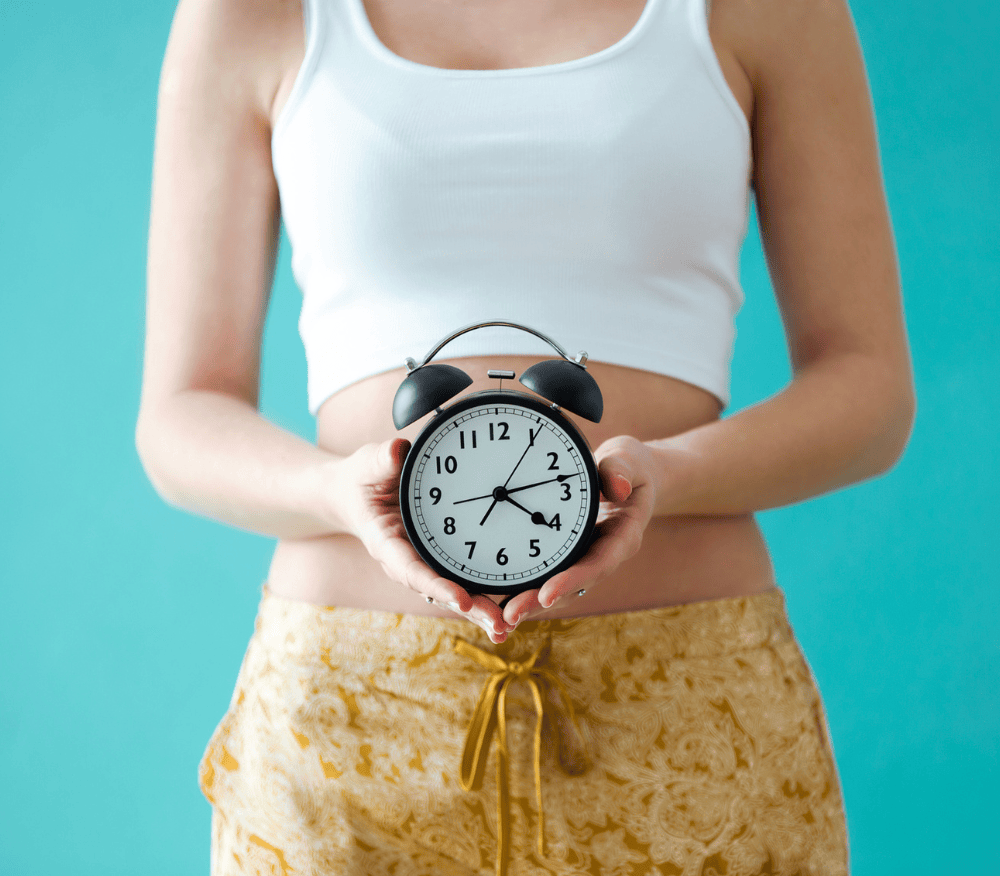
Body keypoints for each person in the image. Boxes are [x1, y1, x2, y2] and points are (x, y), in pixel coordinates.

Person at [136, 0, 915, 872]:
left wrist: (669, 474)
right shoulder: (250, 14)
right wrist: (335, 493)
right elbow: (181, 414)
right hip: (348, 722)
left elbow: (868, 387)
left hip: (689, 714)